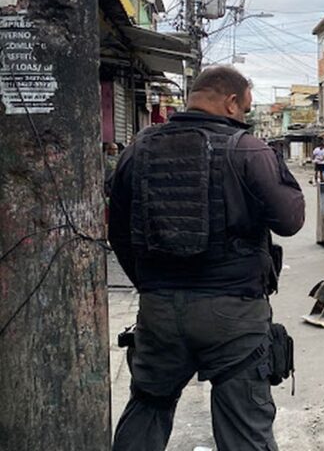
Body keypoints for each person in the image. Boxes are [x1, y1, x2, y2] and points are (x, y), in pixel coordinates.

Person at [109, 66, 305, 451]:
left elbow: (118, 233)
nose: (246, 117)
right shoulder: (248, 149)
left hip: (160, 312)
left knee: (147, 409)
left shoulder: (139, 148)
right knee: (244, 428)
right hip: (233, 317)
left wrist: (153, 287)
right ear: (231, 103)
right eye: (246, 109)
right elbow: (290, 220)